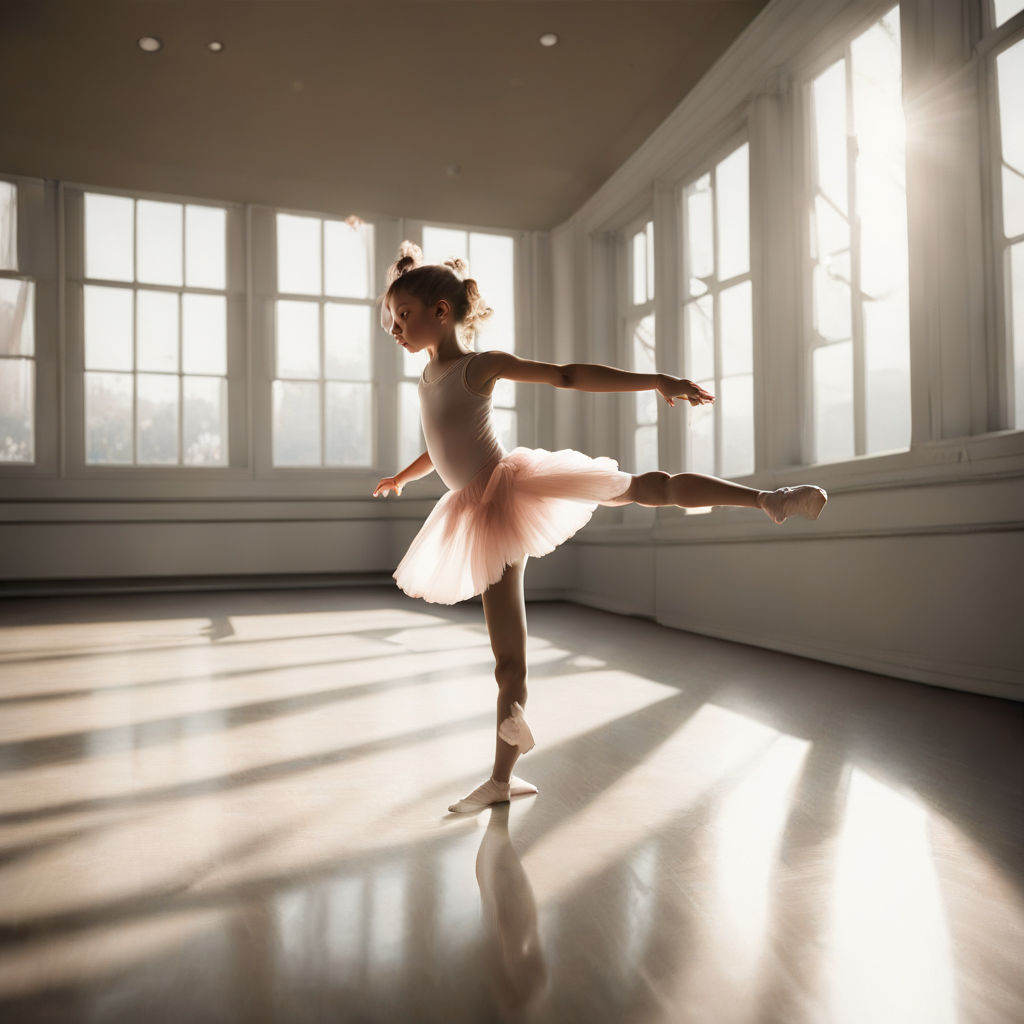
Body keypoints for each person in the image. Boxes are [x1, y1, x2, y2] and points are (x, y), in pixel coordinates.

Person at [372, 242, 827, 813]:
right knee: (508, 661)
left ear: (441, 311)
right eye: (393, 318)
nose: (395, 328)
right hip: (473, 507)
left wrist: (655, 379)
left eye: (404, 315)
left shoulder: (478, 366)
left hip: (508, 491)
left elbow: (566, 374)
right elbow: (440, 443)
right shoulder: (426, 379)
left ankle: (767, 499)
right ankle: (503, 777)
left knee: (644, 487)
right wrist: (403, 476)